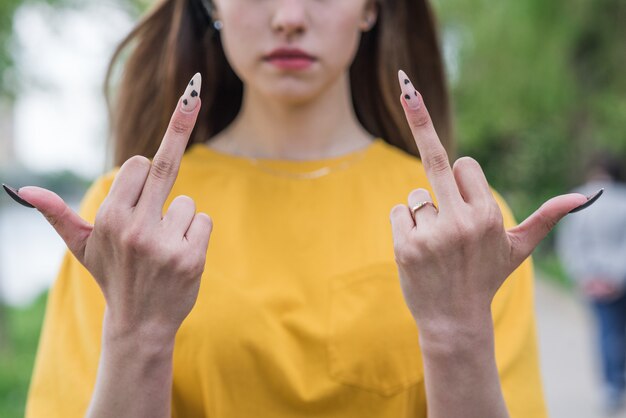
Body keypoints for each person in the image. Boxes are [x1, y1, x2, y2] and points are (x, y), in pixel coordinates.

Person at [1, 0, 597, 416]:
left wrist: (457, 333)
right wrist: (138, 335)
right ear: (212, 4)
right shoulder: (125, 223)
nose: (288, 17)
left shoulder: (464, 222)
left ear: (371, 7)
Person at [556, 154, 626, 415]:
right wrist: (617, 276)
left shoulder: (579, 198)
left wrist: (586, 277)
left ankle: (612, 386)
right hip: (620, 278)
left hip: (596, 280)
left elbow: (571, 242)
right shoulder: (623, 199)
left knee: (606, 334)